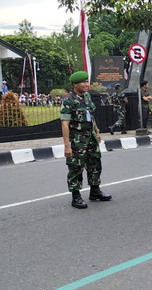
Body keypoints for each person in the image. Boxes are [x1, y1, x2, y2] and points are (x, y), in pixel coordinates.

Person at [60, 71, 112, 209]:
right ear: (75, 84)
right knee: (76, 167)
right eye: (83, 82)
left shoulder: (87, 97)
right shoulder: (68, 99)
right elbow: (65, 124)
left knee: (95, 163)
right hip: (78, 139)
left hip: (91, 137)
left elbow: (91, 116)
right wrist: (67, 146)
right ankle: (75, 196)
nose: (86, 84)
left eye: (87, 82)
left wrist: (97, 131)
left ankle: (95, 191)